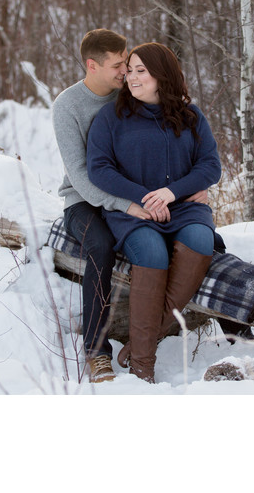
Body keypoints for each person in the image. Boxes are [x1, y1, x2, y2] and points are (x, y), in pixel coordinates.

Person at [53, 30, 207, 384]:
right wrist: (129, 204)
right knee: (101, 246)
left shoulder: (129, 93)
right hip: (84, 200)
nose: (126, 71)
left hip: (135, 198)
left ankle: (146, 339)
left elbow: (170, 136)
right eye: (118, 65)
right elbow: (80, 175)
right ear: (92, 66)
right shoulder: (68, 105)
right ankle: (96, 352)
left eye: (128, 63)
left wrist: (193, 189)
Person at [86, 42, 221, 382]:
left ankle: (139, 344)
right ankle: (144, 367)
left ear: (162, 75)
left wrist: (172, 191)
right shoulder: (112, 117)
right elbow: (99, 169)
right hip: (135, 212)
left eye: (140, 71)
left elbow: (210, 166)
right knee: (150, 252)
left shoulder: (191, 116)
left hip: (184, 209)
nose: (131, 77)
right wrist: (145, 197)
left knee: (201, 242)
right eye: (129, 70)